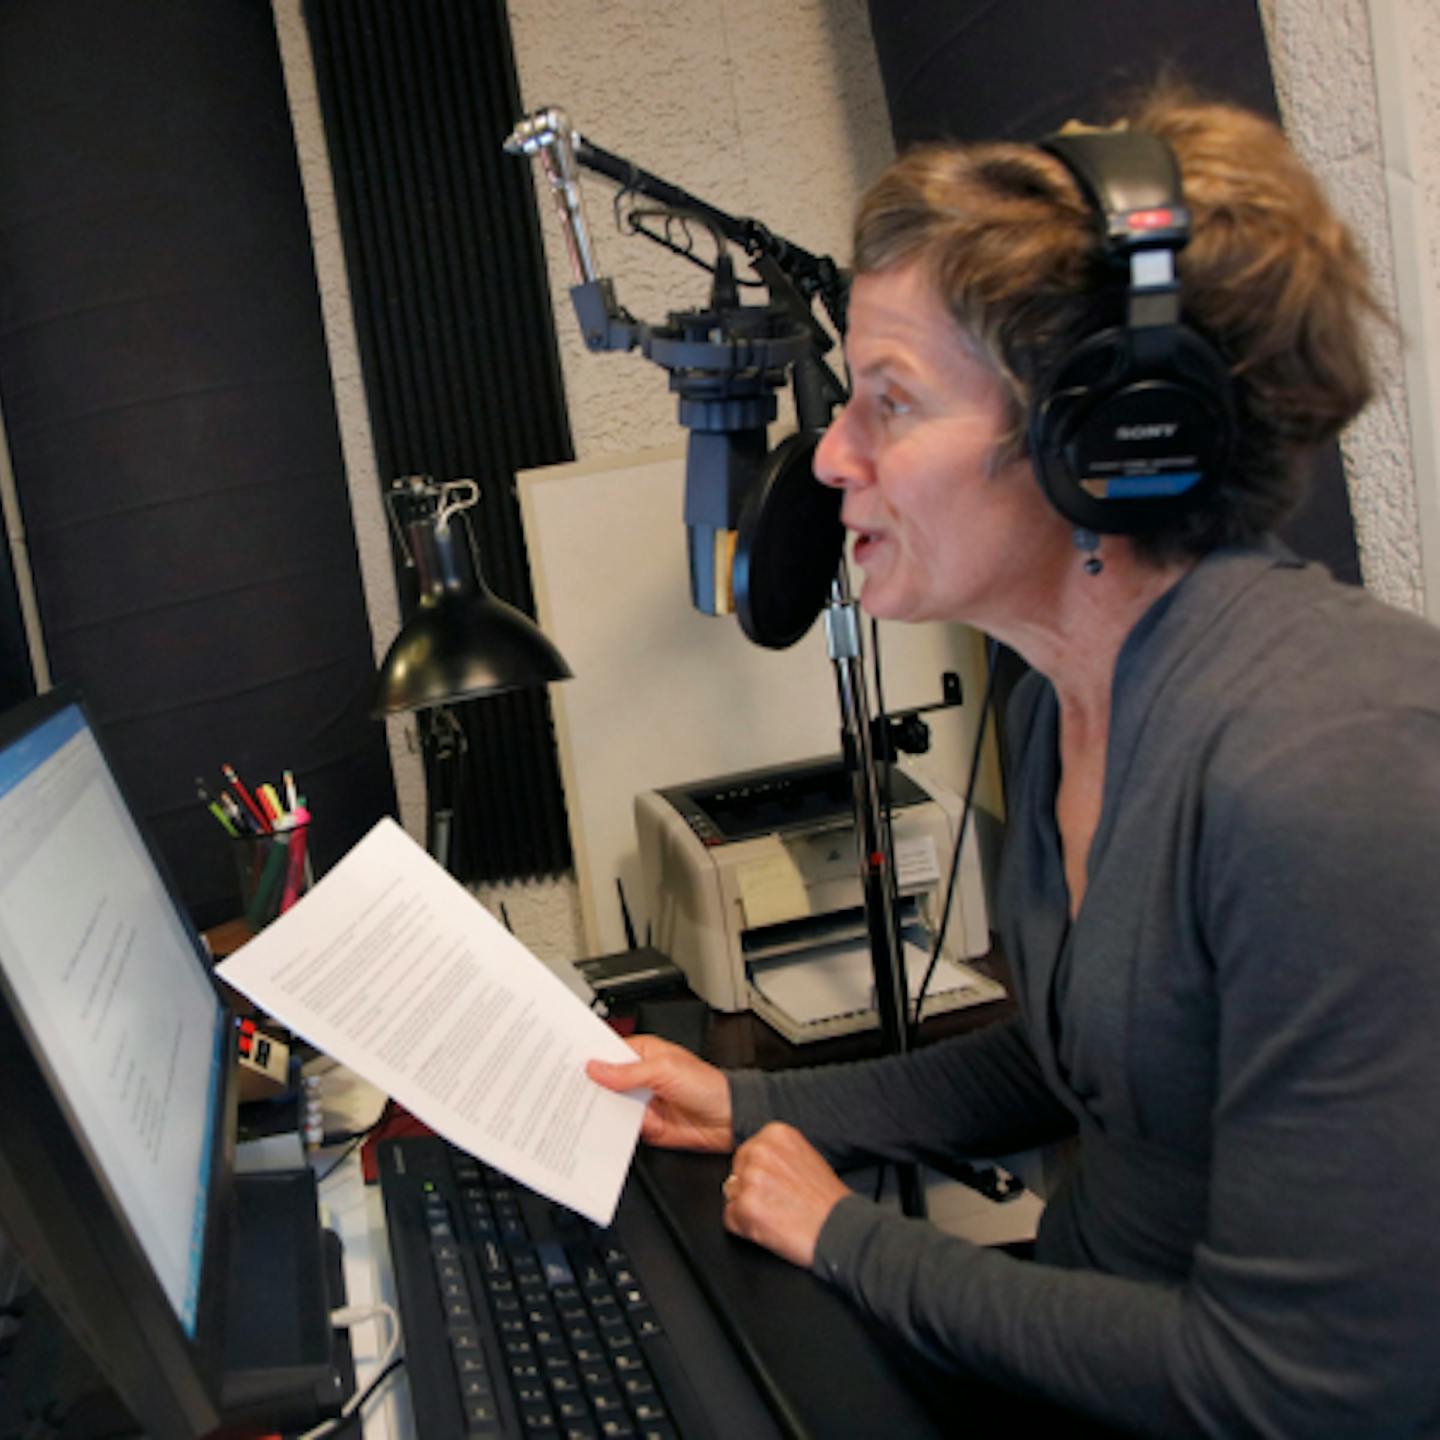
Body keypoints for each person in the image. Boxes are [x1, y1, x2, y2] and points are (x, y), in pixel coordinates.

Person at [588, 93, 1440, 1436]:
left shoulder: (1328, 773)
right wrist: (749, 1101)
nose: (831, 457)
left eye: (889, 402)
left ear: (1097, 439)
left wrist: (850, 1239)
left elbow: (1302, 1388)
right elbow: (1073, 1057)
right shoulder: (1067, 702)